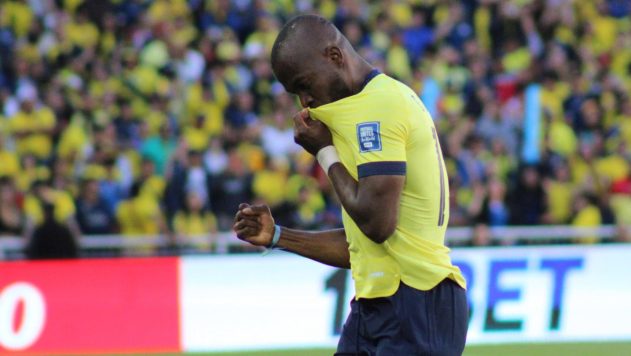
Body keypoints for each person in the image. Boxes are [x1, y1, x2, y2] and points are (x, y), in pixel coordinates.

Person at [234, 15, 467, 356]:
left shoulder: (379, 105)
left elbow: (377, 225)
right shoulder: (363, 108)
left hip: (419, 302)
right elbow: (360, 246)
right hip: (376, 305)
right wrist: (278, 237)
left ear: (335, 57)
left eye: (304, 84)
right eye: (295, 92)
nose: (305, 101)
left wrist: (325, 153)